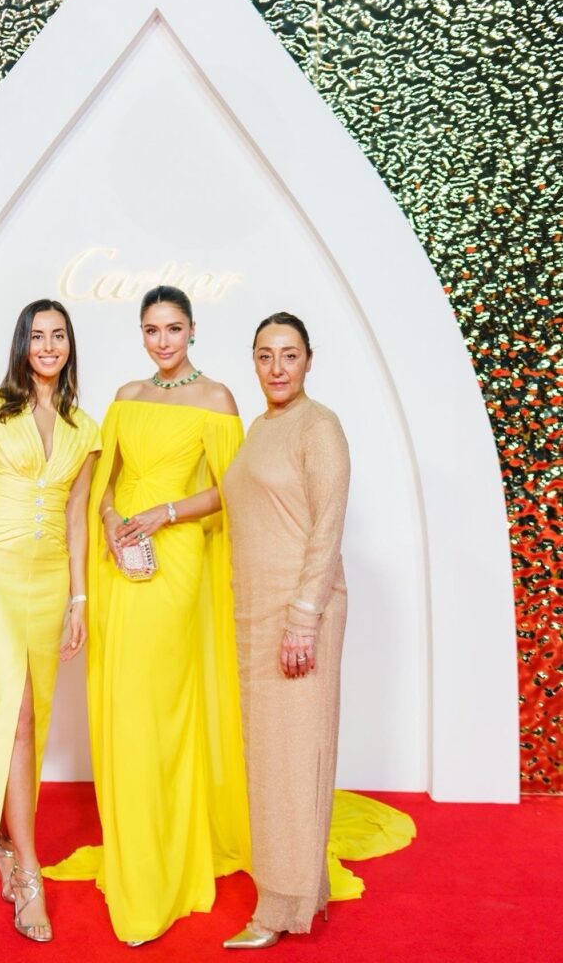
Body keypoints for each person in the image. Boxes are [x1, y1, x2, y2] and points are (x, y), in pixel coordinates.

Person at [44, 286, 250, 944]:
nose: (163, 341)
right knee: (120, 705)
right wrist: (109, 519)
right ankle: (133, 846)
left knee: (159, 704)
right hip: (117, 560)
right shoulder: (127, 394)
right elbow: (104, 481)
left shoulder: (216, 398)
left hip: (174, 560)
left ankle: (166, 858)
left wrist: (164, 514)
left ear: (193, 330)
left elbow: (231, 490)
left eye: (173, 329)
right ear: (141, 333)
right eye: (152, 330)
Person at [0, 299, 100, 943]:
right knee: (16, 709)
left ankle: (5, 844)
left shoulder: (85, 427)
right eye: (37, 336)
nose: (48, 346)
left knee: (34, 712)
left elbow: (78, 517)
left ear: (70, 345)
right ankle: (29, 869)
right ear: (22, 345)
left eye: (58, 335)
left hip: (49, 577)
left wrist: (79, 600)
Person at [221, 311, 350, 948]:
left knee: (294, 758)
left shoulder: (318, 426)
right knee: (271, 758)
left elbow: (327, 528)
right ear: (253, 361)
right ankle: (299, 890)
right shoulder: (259, 428)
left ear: (309, 360)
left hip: (300, 615)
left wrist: (303, 618)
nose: (277, 368)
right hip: (256, 612)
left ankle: (277, 907)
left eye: (289, 355)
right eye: (265, 355)